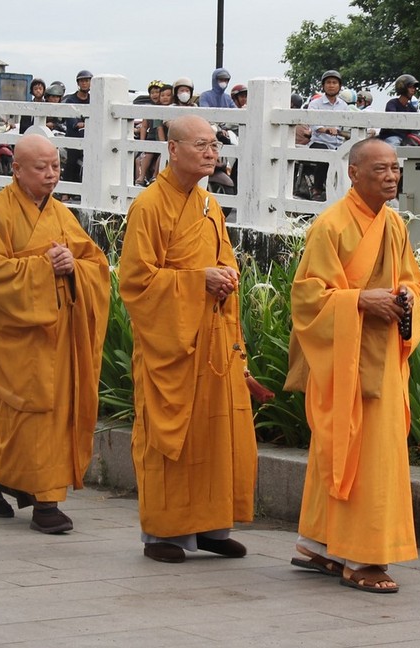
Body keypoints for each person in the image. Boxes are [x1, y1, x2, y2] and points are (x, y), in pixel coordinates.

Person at [285, 137, 420, 593]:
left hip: (382, 356)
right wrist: (360, 301)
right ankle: (361, 558)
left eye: (395, 168)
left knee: (367, 454)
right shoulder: (331, 226)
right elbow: (307, 298)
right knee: (349, 451)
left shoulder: (394, 225)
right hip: (344, 359)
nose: (391, 176)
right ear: (353, 173)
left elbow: (411, 281)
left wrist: (405, 297)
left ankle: (322, 544)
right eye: (380, 168)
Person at [118, 114, 258, 563]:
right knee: (170, 438)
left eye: (214, 145)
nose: (211, 152)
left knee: (213, 435)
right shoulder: (149, 206)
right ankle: (163, 533)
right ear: (173, 149)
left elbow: (224, 258)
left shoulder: (208, 204)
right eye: (201, 145)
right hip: (171, 343)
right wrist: (198, 280)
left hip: (212, 340)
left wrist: (226, 277)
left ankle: (212, 528)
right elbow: (136, 282)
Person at [0, 133, 110, 533]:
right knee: (30, 414)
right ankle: (46, 504)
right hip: (22, 335)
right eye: (41, 167)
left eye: (56, 166)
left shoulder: (61, 214)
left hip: (60, 334)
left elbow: (95, 265)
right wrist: (43, 266)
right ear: (16, 169)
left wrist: (74, 266)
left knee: (41, 418)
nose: (51, 174)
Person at [307, 70, 351, 201]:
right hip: (319, 141)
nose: (331, 85)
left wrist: (345, 133)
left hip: (338, 144)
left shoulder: (343, 105)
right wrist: (326, 129)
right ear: (323, 86)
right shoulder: (315, 104)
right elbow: (313, 123)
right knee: (326, 156)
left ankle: (348, 192)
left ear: (339, 86)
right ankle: (317, 188)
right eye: (328, 82)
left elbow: (347, 125)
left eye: (334, 82)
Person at [62, 70, 92, 184]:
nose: (84, 83)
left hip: (89, 138)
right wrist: (79, 124)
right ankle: (66, 189)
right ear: (78, 83)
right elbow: (73, 123)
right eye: (82, 81)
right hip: (74, 138)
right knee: (72, 162)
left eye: (87, 81)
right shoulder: (71, 100)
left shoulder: (93, 100)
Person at [379, 74, 420, 147]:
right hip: (390, 136)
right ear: (402, 88)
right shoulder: (392, 103)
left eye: (414, 87)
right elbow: (392, 119)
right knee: (394, 143)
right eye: (410, 87)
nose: (413, 90)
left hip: (405, 138)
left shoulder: (412, 108)